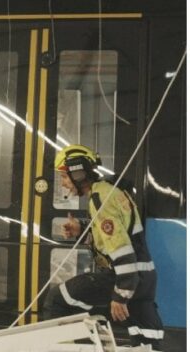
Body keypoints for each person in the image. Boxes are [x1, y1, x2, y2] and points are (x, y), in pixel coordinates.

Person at [42, 144, 163, 348]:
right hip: (144, 279)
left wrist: (121, 294)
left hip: (127, 278)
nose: (63, 184)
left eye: (64, 177)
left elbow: (122, 251)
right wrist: (81, 230)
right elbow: (111, 239)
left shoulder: (101, 199)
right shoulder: (108, 191)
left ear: (78, 173)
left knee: (57, 300)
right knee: (146, 339)